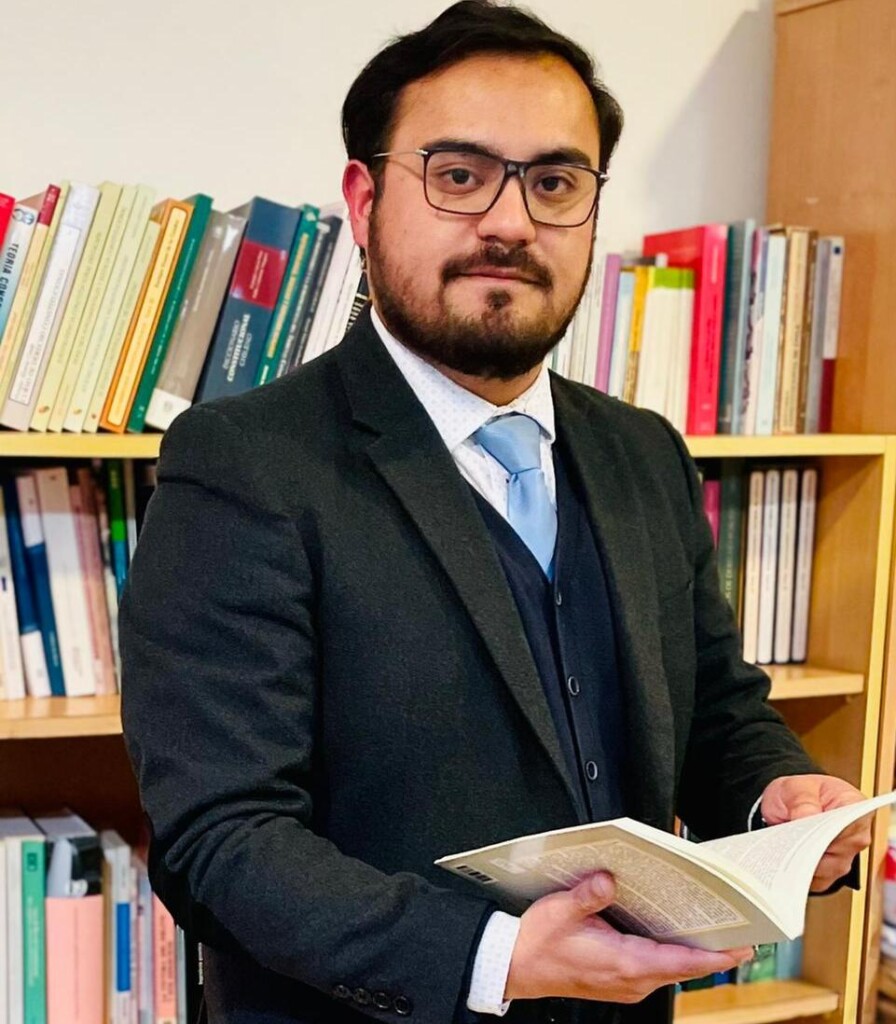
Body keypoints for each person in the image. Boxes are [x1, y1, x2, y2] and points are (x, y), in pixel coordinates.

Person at [120, 3, 873, 1022]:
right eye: (460, 174)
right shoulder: (243, 463)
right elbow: (221, 839)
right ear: (364, 199)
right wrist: (497, 957)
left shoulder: (642, 451)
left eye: (555, 182)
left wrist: (774, 796)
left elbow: (714, 712)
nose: (511, 222)